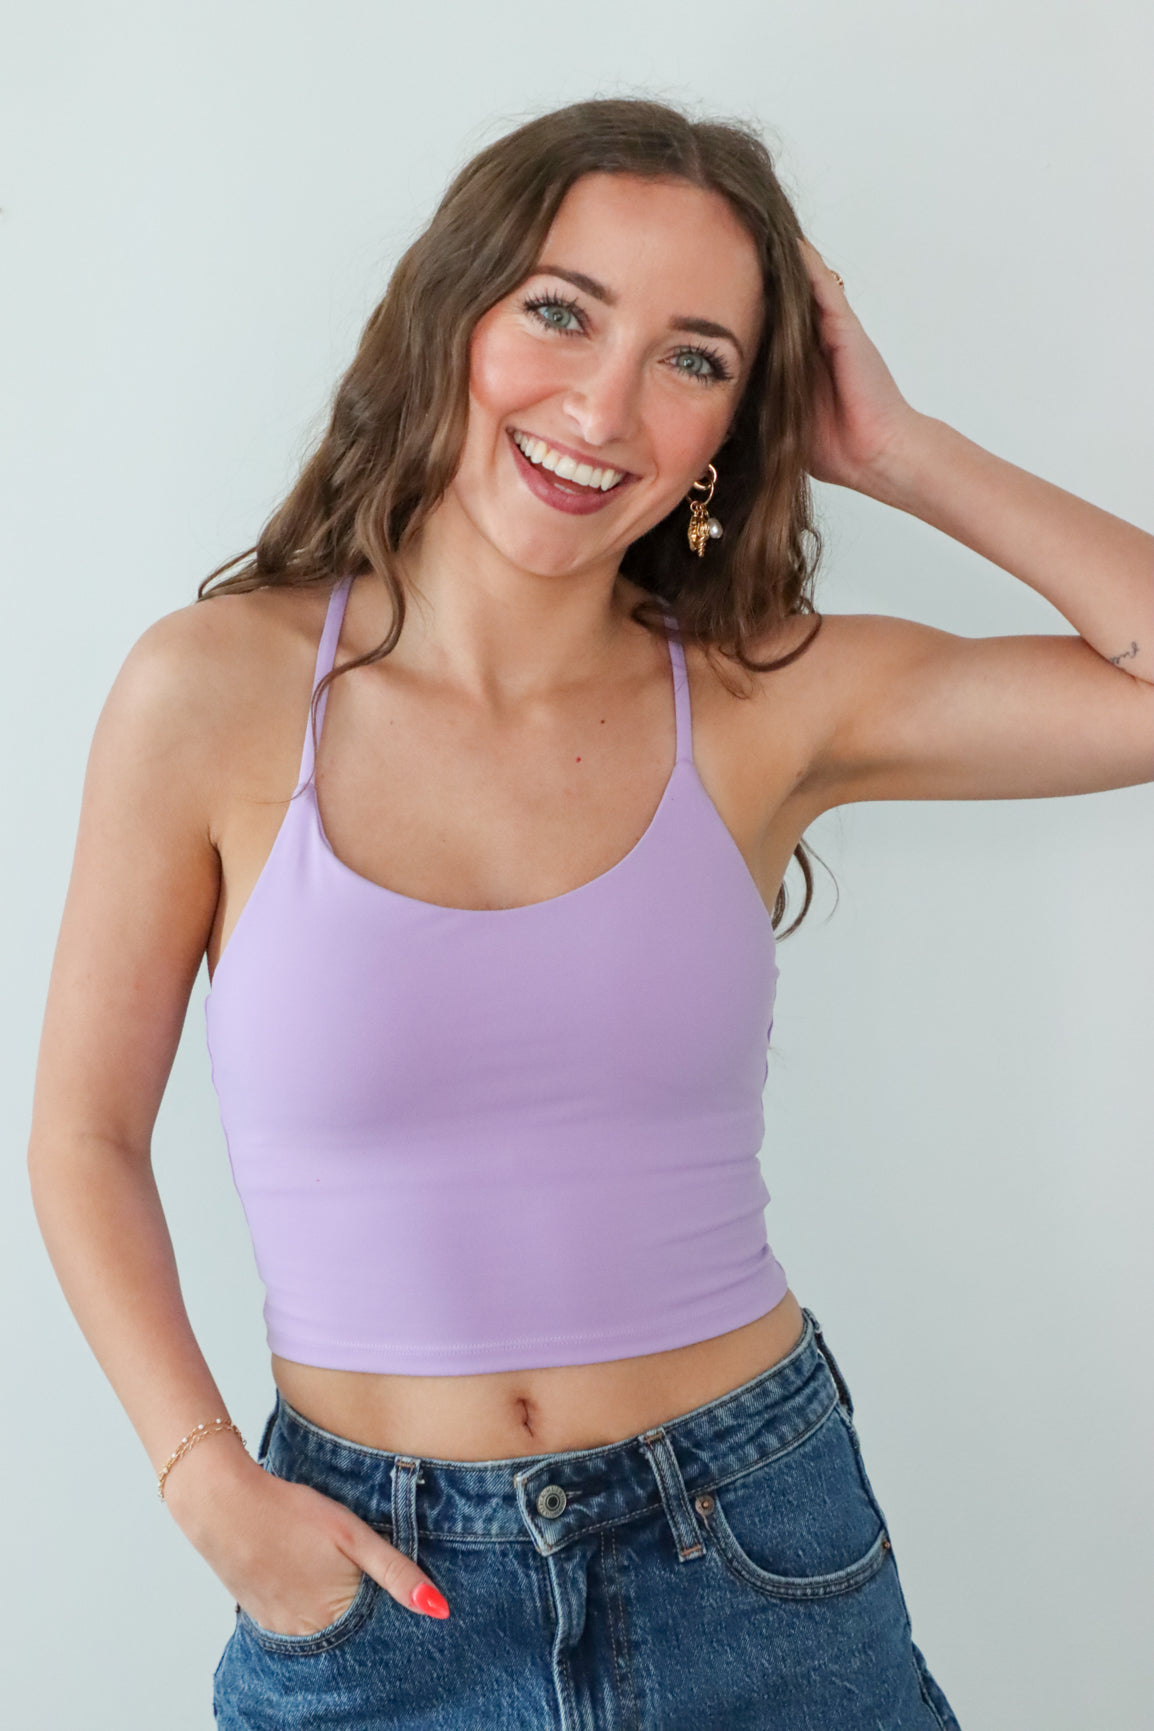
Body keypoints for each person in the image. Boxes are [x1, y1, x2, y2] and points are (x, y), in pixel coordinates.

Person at [27, 95, 1151, 1730]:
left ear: (736, 426)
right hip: (370, 1582)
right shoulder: (211, 693)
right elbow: (80, 1135)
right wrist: (205, 1482)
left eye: (693, 358)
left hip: (754, 1552)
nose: (602, 406)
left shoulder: (768, 701)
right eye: (560, 311)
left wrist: (897, 447)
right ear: (452, 314)